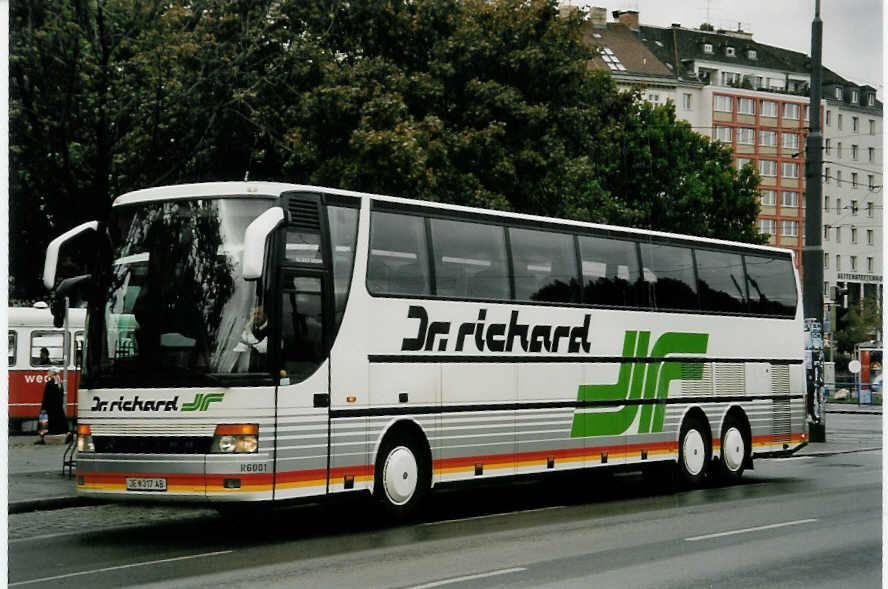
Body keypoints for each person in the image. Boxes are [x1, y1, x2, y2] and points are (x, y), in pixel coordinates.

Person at [35, 367, 68, 444]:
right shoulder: (60, 383)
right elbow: (61, 396)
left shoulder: (49, 383)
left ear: (53, 373)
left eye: (49, 371)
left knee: (43, 422)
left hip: (49, 408)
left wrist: (43, 408)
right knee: (58, 423)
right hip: (57, 408)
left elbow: (46, 397)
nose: (47, 372)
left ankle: (43, 438)